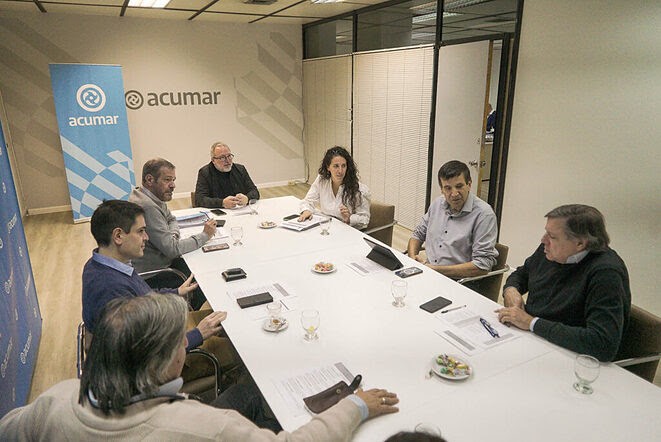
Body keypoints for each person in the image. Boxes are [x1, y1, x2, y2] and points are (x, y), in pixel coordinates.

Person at [0, 293, 400, 440]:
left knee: (253, 389)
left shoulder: (54, 400)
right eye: (181, 339)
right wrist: (356, 405)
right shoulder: (206, 429)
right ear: (164, 360)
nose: (185, 344)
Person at [82, 199, 238, 381]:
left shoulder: (103, 264)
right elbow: (142, 355)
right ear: (118, 236)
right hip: (160, 363)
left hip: (161, 330)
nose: (146, 238)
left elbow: (143, 300)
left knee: (223, 315)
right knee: (240, 349)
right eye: (141, 231)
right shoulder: (111, 290)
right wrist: (198, 334)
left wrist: (175, 292)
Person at [496, 204, 631, 362]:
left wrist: (531, 322)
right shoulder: (549, 250)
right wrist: (511, 290)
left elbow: (602, 343)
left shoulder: (606, 273)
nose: (543, 240)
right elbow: (522, 274)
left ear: (580, 243)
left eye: (552, 236)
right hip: (533, 339)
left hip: (569, 355)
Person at [129, 158, 216, 309]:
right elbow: (173, 249)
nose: (173, 185)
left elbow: (171, 219)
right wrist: (205, 235)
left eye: (173, 180)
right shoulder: (147, 206)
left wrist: (172, 236)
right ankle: (195, 317)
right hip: (154, 274)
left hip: (162, 261)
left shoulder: (150, 195)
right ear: (149, 180)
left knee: (203, 269)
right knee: (204, 283)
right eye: (167, 180)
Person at [407, 160, 498, 279]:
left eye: (459, 186)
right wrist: (412, 258)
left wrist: (436, 270)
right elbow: (417, 235)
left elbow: (482, 265)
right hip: (430, 273)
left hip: (460, 280)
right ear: (442, 189)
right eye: (448, 188)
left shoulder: (484, 214)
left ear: (469, 184)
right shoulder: (437, 204)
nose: (454, 194)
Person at [298, 146, 371, 229]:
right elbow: (308, 201)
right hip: (327, 227)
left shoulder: (360, 190)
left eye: (343, 166)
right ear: (328, 167)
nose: (340, 171)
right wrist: (306, 210)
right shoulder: (322, 180)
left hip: (346, 231)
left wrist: (350, 218)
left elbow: (365, 219)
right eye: (336, 166)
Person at [195, 141, 260, 209]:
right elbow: (199, 200)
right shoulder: (205, 172)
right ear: (213, 160)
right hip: (219, 211)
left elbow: (254, 191)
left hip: (241, 210)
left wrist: (247, 198)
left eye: (229, 156)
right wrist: (222, 203)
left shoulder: (240, 169)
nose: (227, 161)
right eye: (222, 158)